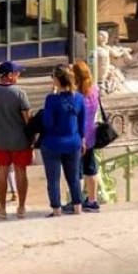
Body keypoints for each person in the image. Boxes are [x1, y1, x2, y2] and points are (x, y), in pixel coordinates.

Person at [0, 60, 33, 219]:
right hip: (20, 140)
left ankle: (2, 208)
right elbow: (28, 119)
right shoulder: (19, 93)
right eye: (17, 73)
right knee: (20, 172)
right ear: (10, 75)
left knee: (2, 172)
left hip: (1, 140)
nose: (19, 75)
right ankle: (21, 207)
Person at [41, 64, 86, 217]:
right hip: (74, 143)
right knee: (73, 178)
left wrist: (52, 96)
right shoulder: (79, 98)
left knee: (53, 179)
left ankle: (56, 210)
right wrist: (83, 140)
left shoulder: (52, 99)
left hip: (53, 144)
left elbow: (48, 123)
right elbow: (82, 122)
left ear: (57, 80)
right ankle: (78, 208)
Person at [74, 60, 101, 213]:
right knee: (91, 169)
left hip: (78, 136)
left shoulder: (77, 95)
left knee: (76, 172)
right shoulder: (94, 90)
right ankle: (92, 200)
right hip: (91, 135)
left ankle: (76, 200)